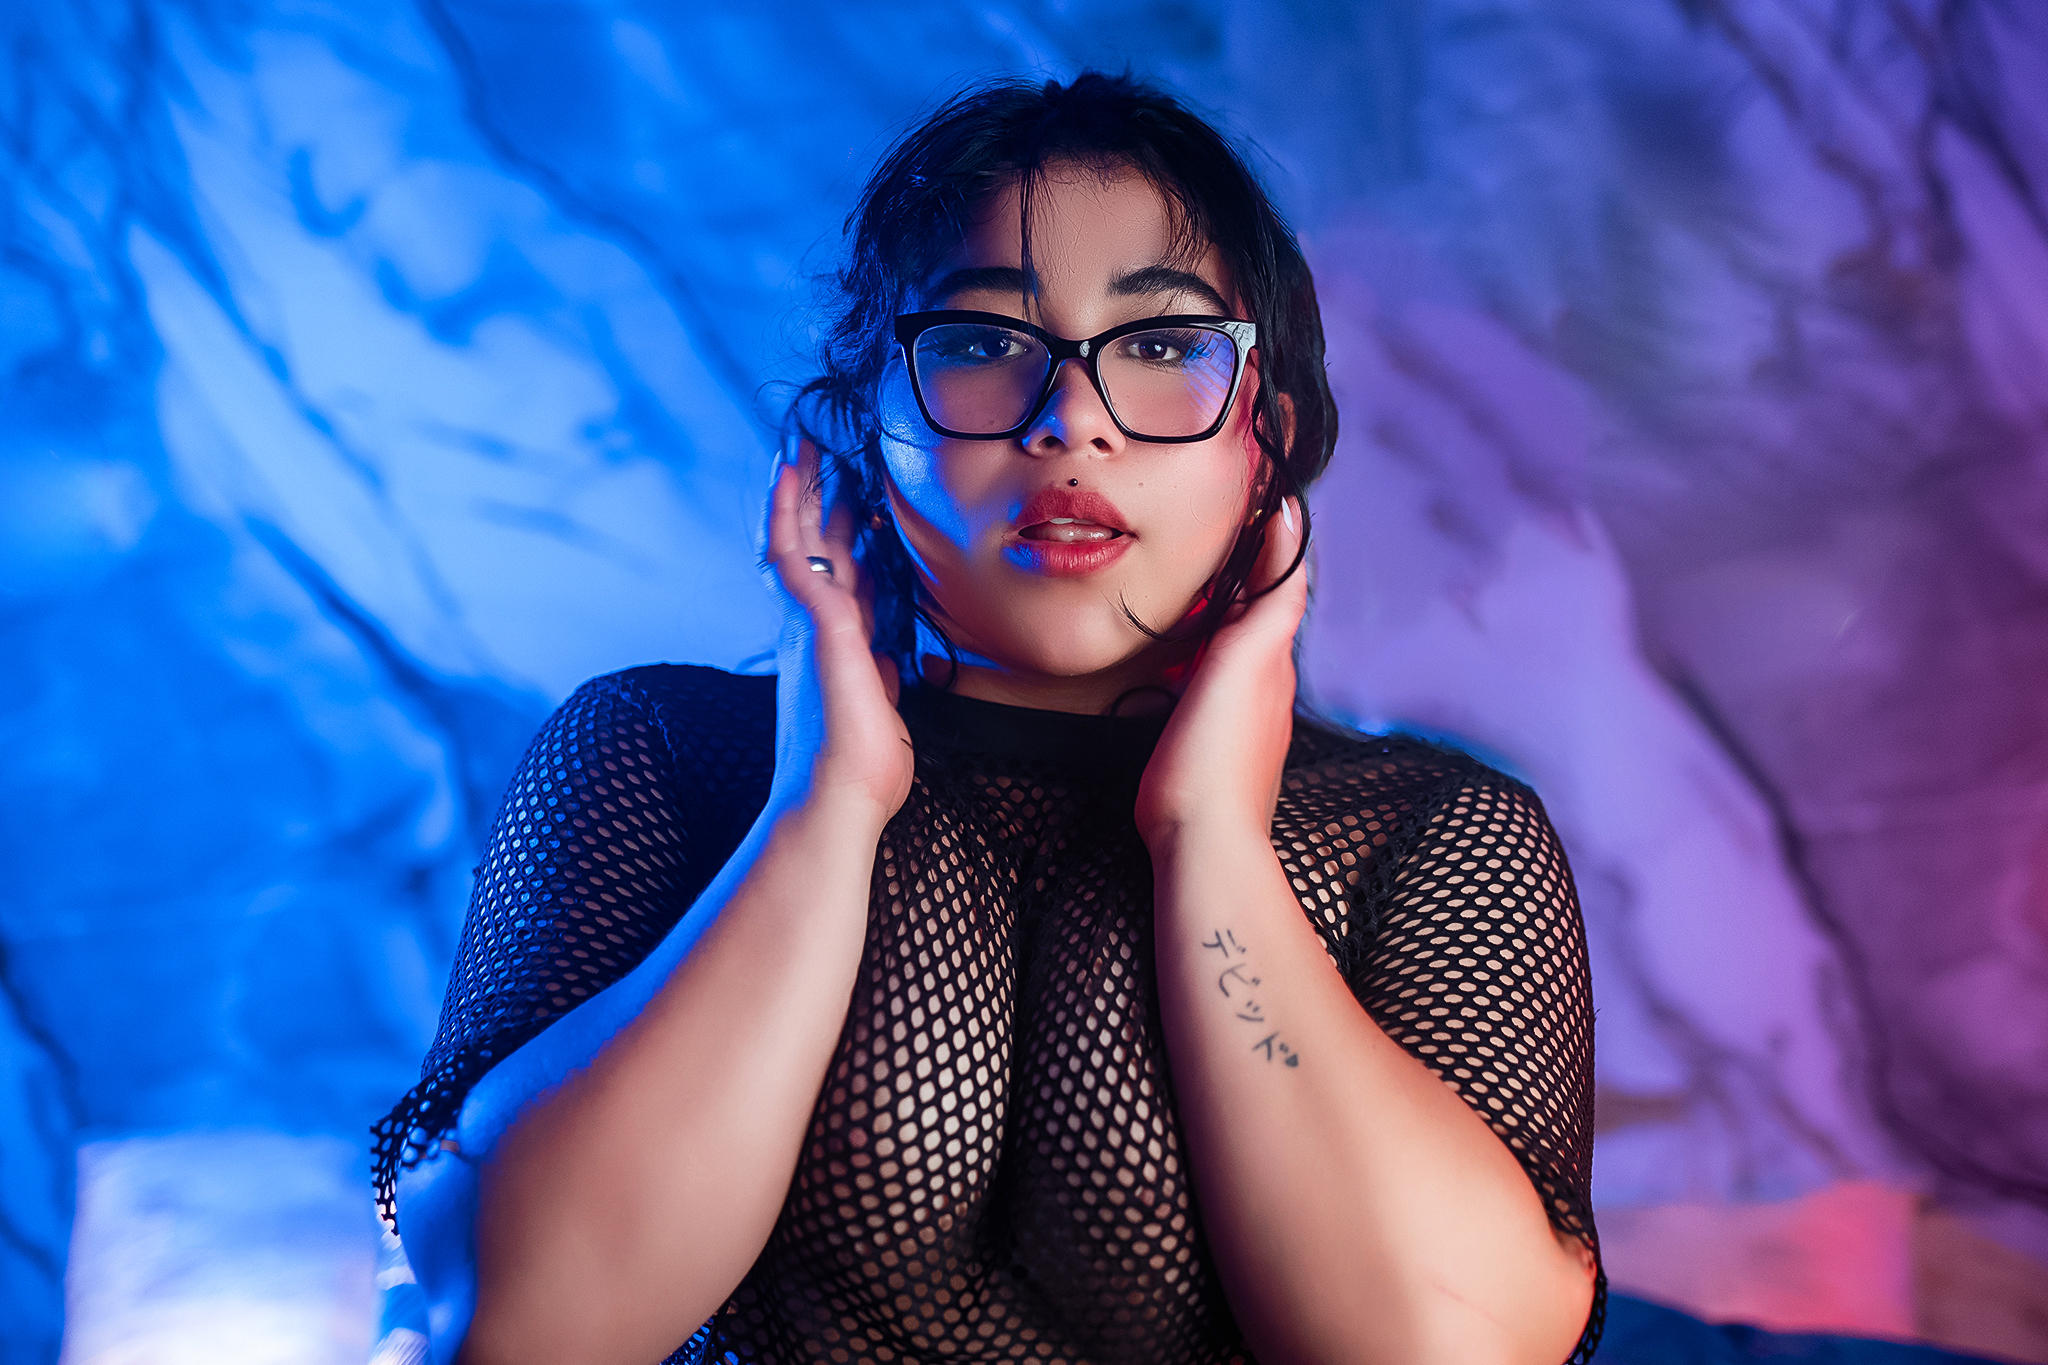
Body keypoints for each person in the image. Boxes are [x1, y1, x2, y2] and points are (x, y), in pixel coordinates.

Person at [370, 69, 1606, 1365]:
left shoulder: (1427, 833)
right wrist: (823, 805)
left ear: (1270, 435)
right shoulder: (667, 756)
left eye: (1163, 346)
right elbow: (519, 1324)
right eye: (977, 342)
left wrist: (1214, 838)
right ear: (859, 429)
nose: (1071, 420)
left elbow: (1438, 1347)